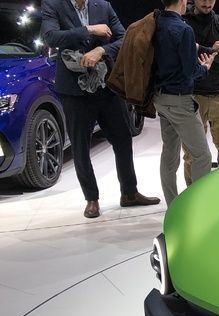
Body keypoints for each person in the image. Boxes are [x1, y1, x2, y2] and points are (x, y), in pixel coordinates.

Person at [40, 0, 160, 219]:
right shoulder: (54, 5)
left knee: (123, 139)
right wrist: (88, 30)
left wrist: (101, 50)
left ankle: (129, 193)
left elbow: (123, 38)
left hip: (106, 86)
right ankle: (92, 199)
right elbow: (50, 37)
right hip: (74, 91)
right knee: (80, 147)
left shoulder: (103, 5)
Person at [153, 0, 215, 205]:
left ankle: (173, 205)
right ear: (181, 1)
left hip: (160, 98)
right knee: (202, 156)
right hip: (179, 100)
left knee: (169, 153)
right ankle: (197, 209)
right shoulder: (183, 29)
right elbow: (190, 71)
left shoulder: (156, 22)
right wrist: (205, 67)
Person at [183, 0, 219, 184]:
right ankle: (192, 194)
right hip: (193, 94)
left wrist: (200, 49)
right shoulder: (185, 22)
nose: (207, 3)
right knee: (192, 155)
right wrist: (213, 50)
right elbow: (184, 54)